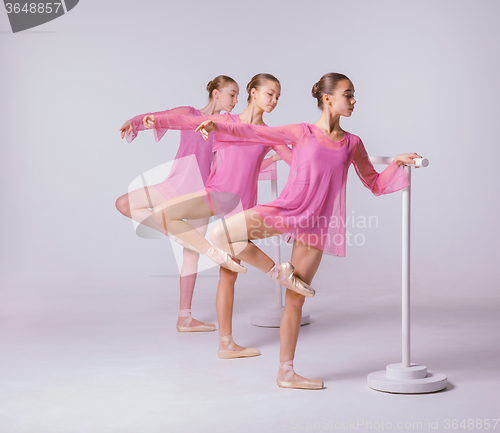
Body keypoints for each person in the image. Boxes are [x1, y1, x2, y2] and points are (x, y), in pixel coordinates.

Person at [196, 72, 422, 389]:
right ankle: (277, 271)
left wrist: (396, 163)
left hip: (316, 226)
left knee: (295, 301)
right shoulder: (301, 132)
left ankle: (286, 372)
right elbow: (252, 130)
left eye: (353, 95)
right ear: (328, 98)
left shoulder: (352, 143)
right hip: (288, 209)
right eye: (348, 94)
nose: (354, 100)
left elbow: (374, 182)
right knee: (223, 234)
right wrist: (217, 125)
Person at [141, 74, 292, 358]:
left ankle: (226, 344)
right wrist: (148, 120)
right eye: (270, 94)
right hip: (216, 195)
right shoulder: (227, 122)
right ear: (253, 92)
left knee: (228, 276)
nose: (274, 101)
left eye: (277, 97)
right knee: (165, 215)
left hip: (242, 210)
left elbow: (294, 161)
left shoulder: (271, 133)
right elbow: (184, 121)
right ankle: (246, 264)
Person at [116, 75, 239, 332]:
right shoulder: (189, 114)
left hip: (202, 194)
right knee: (124, 203)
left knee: (191, 256)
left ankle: (185, 317)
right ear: (216, 93)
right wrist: (135, 122)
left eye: (237, 95)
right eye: (232, 94)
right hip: (176, 185)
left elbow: (250, 143)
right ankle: (178, 234)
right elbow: (160, 117)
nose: (236, 100)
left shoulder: (227, 124)